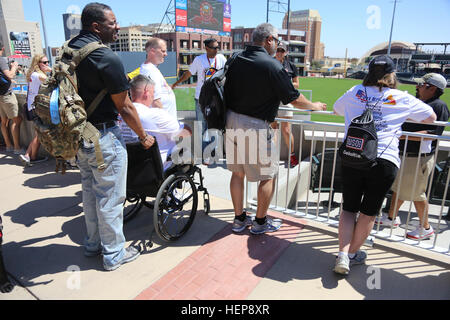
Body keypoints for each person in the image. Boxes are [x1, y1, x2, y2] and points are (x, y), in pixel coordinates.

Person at [69, 2, 154, 272]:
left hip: (78, 136)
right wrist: (143, 137)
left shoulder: (68, 51)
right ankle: (115, 253)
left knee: (90, 194)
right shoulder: (106, 57)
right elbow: (126, 106)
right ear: (96, 26)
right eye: (112, 23)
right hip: (103, 137)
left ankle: (93, 243)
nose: (117, 27)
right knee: (109, 198)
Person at [332, 55, 437, 275]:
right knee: (368, 213)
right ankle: (352, 255)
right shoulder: (401, 97)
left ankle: (342, 254)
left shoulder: (355, 92)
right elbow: (431, 117)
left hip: (353, 155)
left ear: (369, 72)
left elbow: (336, 109)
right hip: (384, 161)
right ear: (392, 75)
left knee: (349, 209)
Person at [224, 23, 327, 235]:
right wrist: (315, 106)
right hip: (254, 125)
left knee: (237, 173)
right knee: (267, 176)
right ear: (269, 40)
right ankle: (260, 223)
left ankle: (238, 220)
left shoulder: (235, 58)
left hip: (231, 121)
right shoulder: (272, 66)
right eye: (277, 41)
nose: (278, 45)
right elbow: (294, 98)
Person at [377, 73, 449, 240]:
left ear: (433, 88)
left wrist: (401, 134)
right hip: (405, 154)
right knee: (398, 187)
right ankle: (390, 219)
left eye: (422, 85)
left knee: (417, 193)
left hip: (418, 157)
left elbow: (433, 134)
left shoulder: (439, 106)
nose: (417, 87)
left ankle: (425, 228)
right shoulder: (420, 103)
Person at [119, 74, 191, 171]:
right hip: (156, 170)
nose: (154, 96)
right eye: (153, 92)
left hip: (130, 170)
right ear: (146, 92)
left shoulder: (120, 116)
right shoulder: (156, 115)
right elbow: (186, 131)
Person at [171, 38, 227, 162]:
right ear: (206, 48)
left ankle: (214, 154)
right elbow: (188, 74)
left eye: (218, 47)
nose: (217, 50)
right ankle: (205, 156)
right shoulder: (199, 60)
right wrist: (176, 83)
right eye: (214, 47)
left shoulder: (222, 59)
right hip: (201, 99)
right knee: (201, 127)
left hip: (216, 99)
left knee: (215, 127)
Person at [19, 54, 52, 166]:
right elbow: (52, 81)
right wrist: (51, 70)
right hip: (36, 109)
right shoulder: (38, 75)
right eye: (44, 62)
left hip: (31, 107)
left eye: (47, 62)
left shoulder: (32, 74)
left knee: (37, 134)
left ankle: (30, 156)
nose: (47, 64)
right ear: (38, 64)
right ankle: (29, 156)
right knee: (38, 134)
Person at [274, 41, 300, 167]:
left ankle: (292, 155)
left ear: (286, 52)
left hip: (285, 100)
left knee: (286, 130)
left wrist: (285, 83)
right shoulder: (269, 63)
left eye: (282, 50)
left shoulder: (290, 66)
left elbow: (297, 84)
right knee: (272, 130)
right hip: (271, 100)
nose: (279, 52)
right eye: (278, 50)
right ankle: (271, 157)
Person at [140, 38, 177, 120]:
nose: (166, 54)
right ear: (152, 51)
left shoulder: (152, 69)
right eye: (163, 51)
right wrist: (166, 123)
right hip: (163, 126)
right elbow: (155, 102)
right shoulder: (150, 71)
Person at [0, 42, 23, 154]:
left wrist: (9, 81)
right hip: (7, 96)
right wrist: (14, 67)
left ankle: (9, 145)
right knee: (16, 120)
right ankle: (17, 148)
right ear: (2, 48)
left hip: (0, 96)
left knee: (4, 121)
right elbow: (9, 75)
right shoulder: (1, 60)